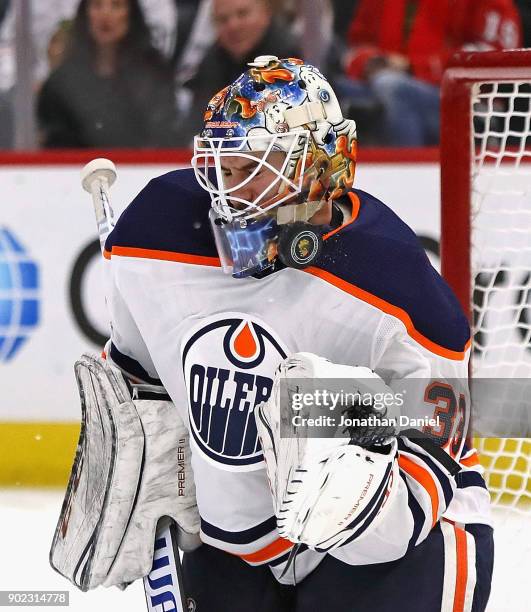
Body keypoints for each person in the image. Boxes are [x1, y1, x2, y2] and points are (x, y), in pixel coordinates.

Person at [76, 55, 493, 611]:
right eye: (223, 168)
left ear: (322, 167)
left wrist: (358, 501)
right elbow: (141, 377)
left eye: (256, 167)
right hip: (236, 545)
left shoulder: (396, 287)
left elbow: (438, 444)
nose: (230, 195)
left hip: (394, 550)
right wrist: (139, 466)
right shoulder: (152, 234)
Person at [341, 0, 522, 146]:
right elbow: (356, 44)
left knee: (393, 88)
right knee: (334, 89)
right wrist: (371, 62)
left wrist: (413, 66)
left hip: (460, 105)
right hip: (383, 82)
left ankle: (406, 176)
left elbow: (492, 56)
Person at [37, 0, 178, 148]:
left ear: (131, 14)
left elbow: (163, 135)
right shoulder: (64, 81)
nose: (105, 15)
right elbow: (54, 141)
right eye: (97, 6)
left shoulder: (153, 74)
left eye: (116, 6)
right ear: (85, 13)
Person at [179, 0, 300, 144]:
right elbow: (197, 124)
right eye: (223, 19)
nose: (233, 26)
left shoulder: (289, 61)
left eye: (242, 14)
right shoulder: (211, 62)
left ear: (266, 13)